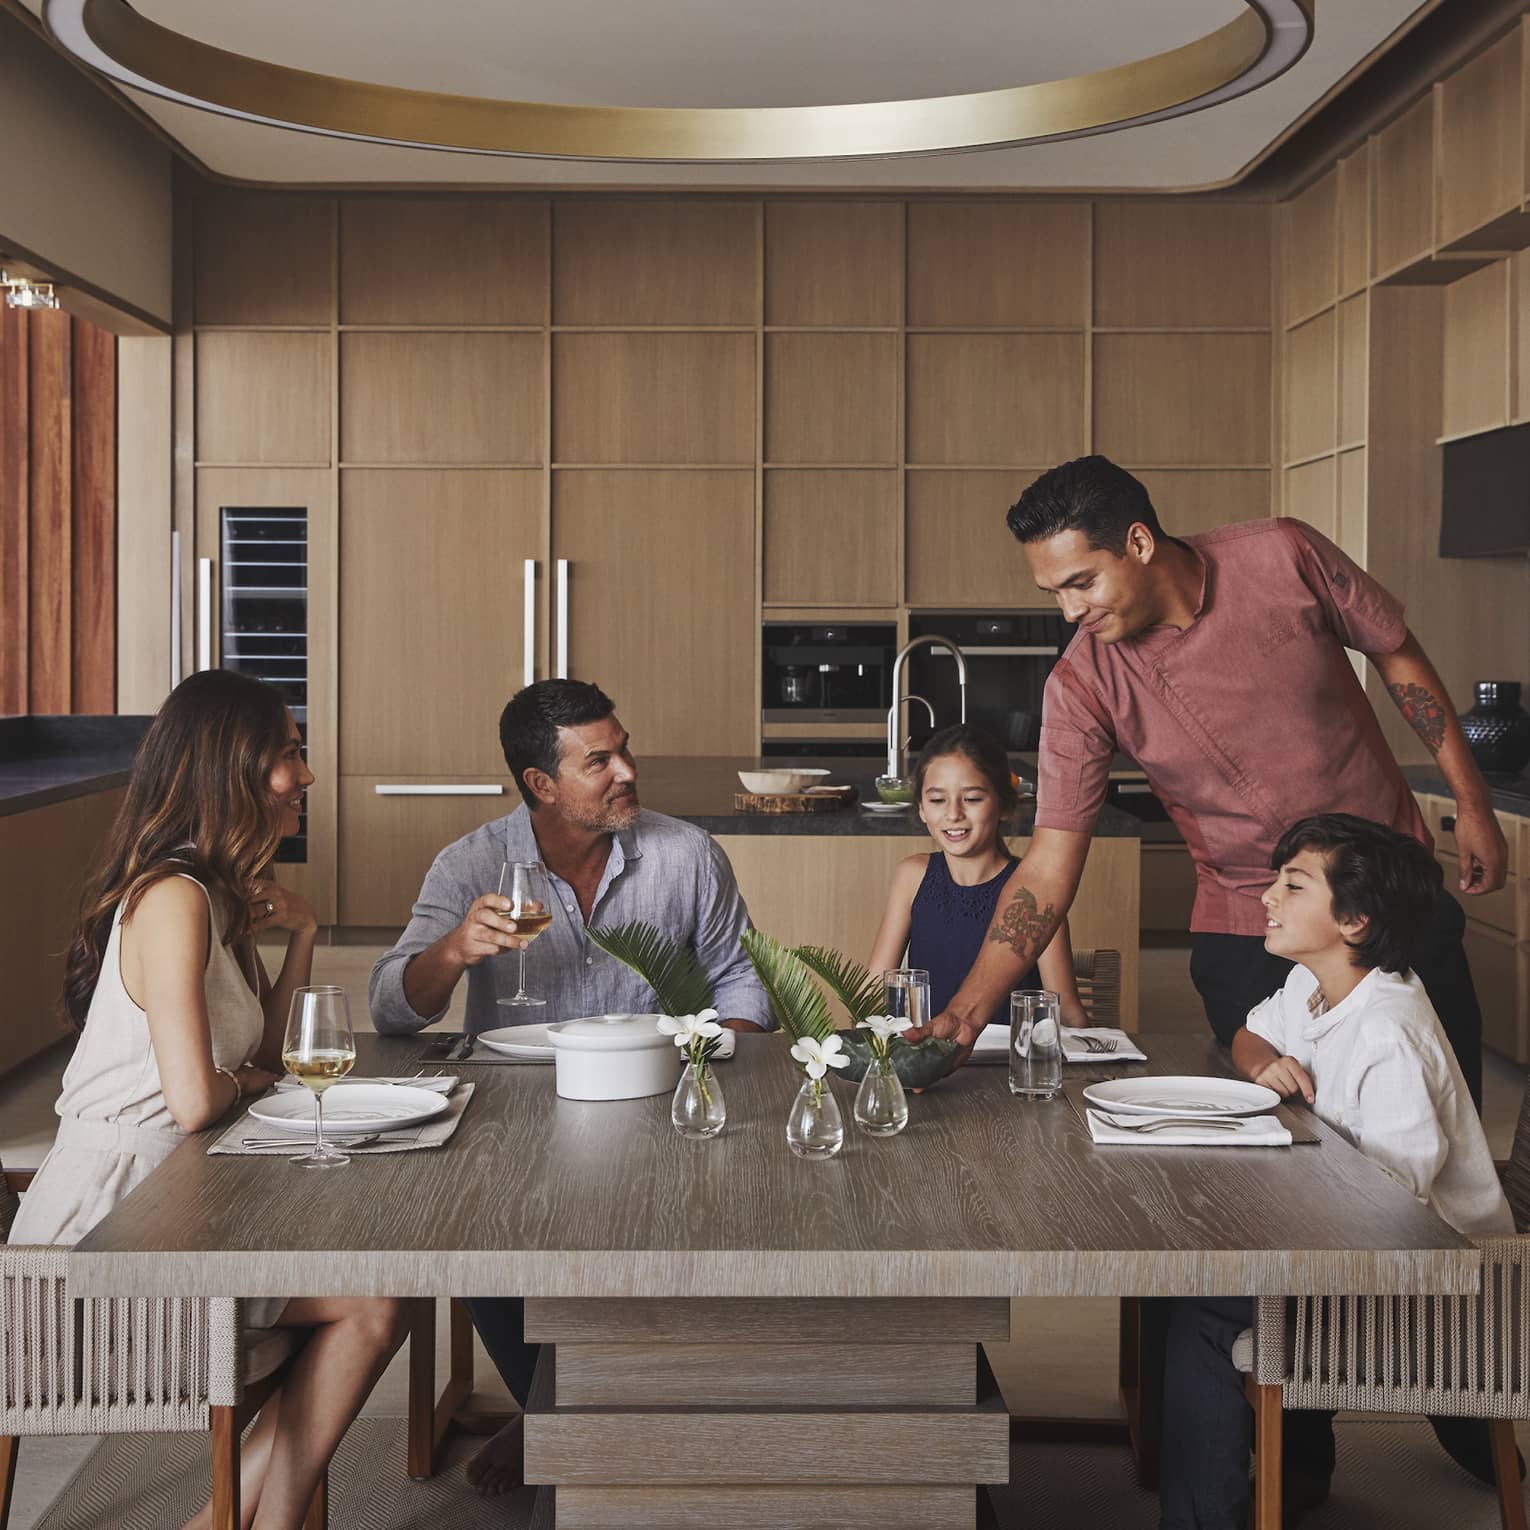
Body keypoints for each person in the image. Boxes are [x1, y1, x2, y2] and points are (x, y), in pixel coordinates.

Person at [923, 455, 1504, 1108]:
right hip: (1249, 923)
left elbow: (1395, 650)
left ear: (1138, 543)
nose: (1068, 611)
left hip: (1391, 890)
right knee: (1286, 1142)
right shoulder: (1082, 685)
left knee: (1440, 1112)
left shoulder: (1284, 554)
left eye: (1081, 582)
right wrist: (968, 1012)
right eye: (1053, 591)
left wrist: (1471, 799)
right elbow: (1049, 865)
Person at [11, 671, 408, 1530]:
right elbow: (199, 1100)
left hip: (180, 1213)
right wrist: (257, 1083)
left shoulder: (210, 895)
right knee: (376, 1300)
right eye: (290, 755)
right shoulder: (172, 900)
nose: (304, 776)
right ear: (234, 767)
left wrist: (302, 934)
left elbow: (265, 1054)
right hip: (105, 1246)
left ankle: (227, 1523)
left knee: (378, 1294)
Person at [369, 678, 772, 1494]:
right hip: (511, 1116)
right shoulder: (472, 862)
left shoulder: (687, 854)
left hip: (656, 1105)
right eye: (600, 760)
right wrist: (453, 952)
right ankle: (561, 1411)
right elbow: (390, 1008)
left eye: (623, 748)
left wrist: (711, 1060)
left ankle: (562, 1418)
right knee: (464, 1235)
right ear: (540, 784)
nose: (626, 769)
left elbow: (744, 985)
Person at [1159, 815, 1514, 1529]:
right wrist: (1263, 1062)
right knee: (1180, 1275)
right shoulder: (1314, 986)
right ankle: (1264, 1478)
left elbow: (1392, 1217)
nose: (1267, 897)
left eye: (1292, 885)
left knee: (1200, 1305)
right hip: (1363, 1247)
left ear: (1353, 920)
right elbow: (1252, 1032)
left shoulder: (1388, 1031)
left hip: (1435, 1286)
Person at [867, 724, 1088, 1027]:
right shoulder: (912, 876)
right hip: (929, 1064)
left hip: (1009, 1065)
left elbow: (1067, 1014)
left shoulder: (1038, 891)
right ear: (920, 808)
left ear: (1005, 805)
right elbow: (872, 991)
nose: (954, 813)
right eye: (937, 800)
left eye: (972, 799)